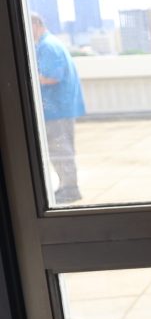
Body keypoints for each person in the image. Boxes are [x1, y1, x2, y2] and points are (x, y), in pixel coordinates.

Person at [30, 12, 85, 203]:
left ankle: (70, 190)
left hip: (57, 109)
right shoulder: (48, 44)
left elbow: (52, 77)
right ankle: (66, 187)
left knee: (60, 149)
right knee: (60, 148)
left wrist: (27, 77)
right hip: (59, 107)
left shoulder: (48, 46)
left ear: (36, 24)